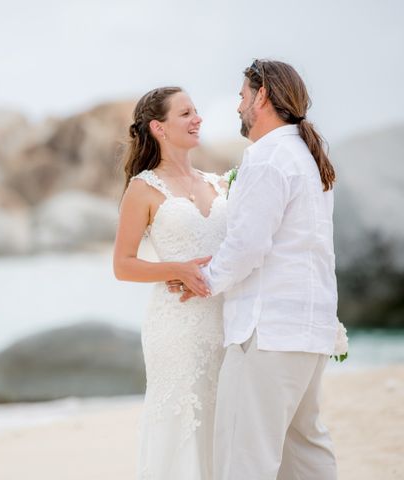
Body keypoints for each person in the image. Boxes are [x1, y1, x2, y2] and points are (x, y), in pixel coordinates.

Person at [172, 59, 339, 479]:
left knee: (245, 459)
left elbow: (248, 246)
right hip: (309, 332)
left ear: (262, 95)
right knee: (306, 455)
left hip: (266, 334)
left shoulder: (267, 159)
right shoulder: (306, 156)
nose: (238, 106)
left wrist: (203, 280)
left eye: (243, 96)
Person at [113, 86, 228, 479]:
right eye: (186, 113)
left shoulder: (219, 183)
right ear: (158, 127)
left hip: (227, 320)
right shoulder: (143, 188)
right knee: (182, 422)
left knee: (224, 422)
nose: (197, 118)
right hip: (177, 327)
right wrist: (174, 270)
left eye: (196, 110)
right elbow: (123, 265)